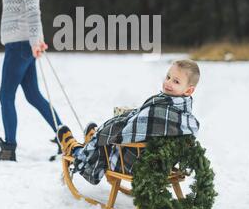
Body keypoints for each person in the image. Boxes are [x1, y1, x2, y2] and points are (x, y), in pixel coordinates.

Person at [57, 59, 201, 185]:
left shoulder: (159, 111)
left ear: (189, 90)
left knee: (106, 137)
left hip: (131, 163)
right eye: (168, 77)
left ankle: (74, 148)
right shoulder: (185, 117)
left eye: (176, 81)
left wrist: (103, 134)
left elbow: (124, 132)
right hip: (159, 164)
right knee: (111, 131)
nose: (168, 83)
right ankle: (93, 141)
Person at [0, 0, 63, 162]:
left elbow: (33, 13)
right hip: (23, 46)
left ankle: (9, 148)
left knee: (6, 95)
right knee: (33, 95)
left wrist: (34, 42)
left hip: (20, 47)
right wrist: (36, 41)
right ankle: (64, 137)